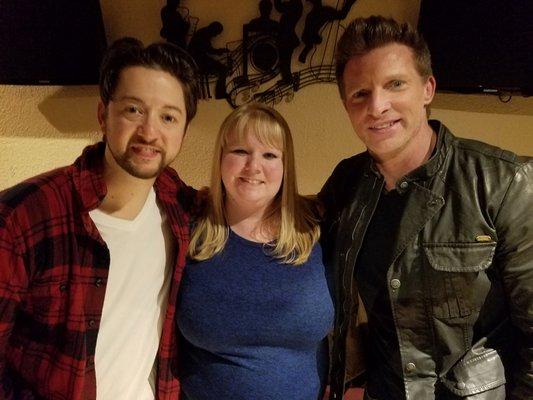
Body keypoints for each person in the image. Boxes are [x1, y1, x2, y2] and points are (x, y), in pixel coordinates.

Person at [320, 15, 533, 400]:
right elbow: (288, 237)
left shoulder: (503, 181)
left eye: (395, 84)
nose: (377, 106)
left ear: (428, 89)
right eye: (360, 94)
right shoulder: (344, 184)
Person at [0, 37, 200, 399]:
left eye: (168, 117)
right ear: (102, 114)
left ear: (183, 132)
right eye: (133, 110)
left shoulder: (179, 207)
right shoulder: (22, 218)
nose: (150, 132)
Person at [177, 103, 334, 400]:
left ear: (286, 166)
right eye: (240, 151)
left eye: (270, 155)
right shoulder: (187, 228)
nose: (254, 167)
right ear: (221, 158)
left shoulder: (318, 226)